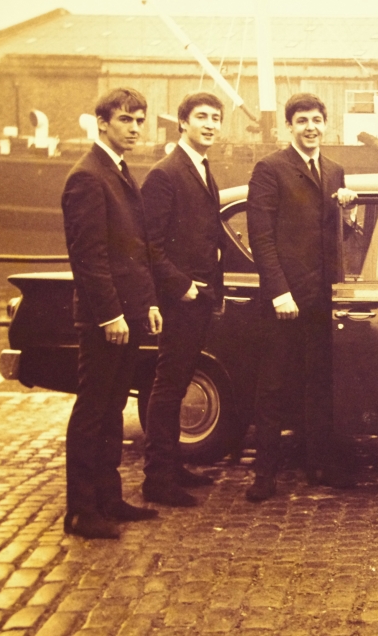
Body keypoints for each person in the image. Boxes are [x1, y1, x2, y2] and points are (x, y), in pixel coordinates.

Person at [244, 92, 358, 501]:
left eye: (317, 120)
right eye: (302, 120)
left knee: (319, 385)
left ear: (326, 124)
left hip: (322, 300)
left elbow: (339, 238)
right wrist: (279, 293)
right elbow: (261, 238)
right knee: (273, 388)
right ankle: (264, 475)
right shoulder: (270, 168)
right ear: (289, 126)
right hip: (285, 301)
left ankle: (318, 466)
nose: (311, 127)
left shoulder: (334, 170)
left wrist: (348, 215)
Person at [60, 88, 163, 539]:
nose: (135, 128)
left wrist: (148, 304)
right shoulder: (87, 177)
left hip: (128, 314)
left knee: (113, 408)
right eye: (125, 120)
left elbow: (135, 250)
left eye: (140, 120)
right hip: (106, 320)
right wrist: (109, 316)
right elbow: (89, 257)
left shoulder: (118, 170)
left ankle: (108, 498)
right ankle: (81, 511)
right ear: (102, 123)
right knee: (93, 410)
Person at [140, 92, 228, 507]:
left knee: (179, 383)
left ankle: (172, 466)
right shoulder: (166, 173)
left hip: (199, 297)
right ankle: (157, 479)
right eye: (201, 117)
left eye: (216, 118)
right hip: (180, 300)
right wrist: (183, 287)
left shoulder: (201, 168)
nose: (210, 124)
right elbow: (149, 245)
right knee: (168, 386)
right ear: (183, 123)